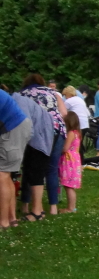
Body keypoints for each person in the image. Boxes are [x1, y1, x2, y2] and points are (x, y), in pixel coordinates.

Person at [19, 73, 67, 217]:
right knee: (52, 169)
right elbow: (64, 113)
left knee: (29, 168)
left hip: (36, 133)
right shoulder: (53, 92)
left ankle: (25, 205)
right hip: (57, 130)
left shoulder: (23, 94)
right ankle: (53, 207)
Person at [10, 90, 52, 224]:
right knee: (30, 172)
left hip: (39, 139)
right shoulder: (16, 100)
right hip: (36, 138)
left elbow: (27, 128)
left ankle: (37, 212)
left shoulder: (18, 101)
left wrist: (18, 148)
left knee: (36, 173)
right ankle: (35, 209)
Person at [0, 89, 32, 231]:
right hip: (17, 127)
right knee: (6, 176)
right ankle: (11, 219)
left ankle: (3, 222)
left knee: (2, 175)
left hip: (12, 129)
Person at [59, 112, 82, 213]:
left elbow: (65, 148)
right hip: (75, 159)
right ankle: (72, 207)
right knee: (70, 185)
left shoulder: (71, 133)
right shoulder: (77, 133)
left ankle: (71, 208)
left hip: (69, 161)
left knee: (68, 185)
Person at [62, 86, 90, 157]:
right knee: (79, 143)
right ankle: (81, 160)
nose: (65, 97)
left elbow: (63, 112)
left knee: (76, 145)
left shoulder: (69, 101)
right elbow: (88, 113)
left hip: (78, 124)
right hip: (85, 124)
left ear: (68, 94)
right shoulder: (80, 99)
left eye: (65, 95)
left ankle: (79, 161)